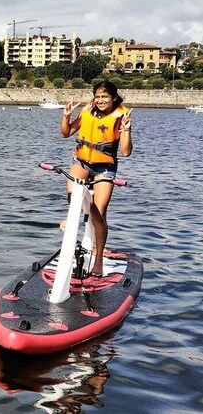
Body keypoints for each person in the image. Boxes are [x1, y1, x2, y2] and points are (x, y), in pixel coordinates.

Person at [60, 81, 133, 277]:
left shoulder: (121, 116)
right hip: (82, 161)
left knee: (99, 214)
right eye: (97, 97)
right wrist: (66, 116)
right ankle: (74, 215)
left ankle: (98, 259)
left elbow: (125, 152)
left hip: (105, 168)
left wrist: (126, 129)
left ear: (114, 98)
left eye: (105, 97)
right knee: (71, 191)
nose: (100, 100)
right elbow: (66, 133)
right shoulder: (87, 110)